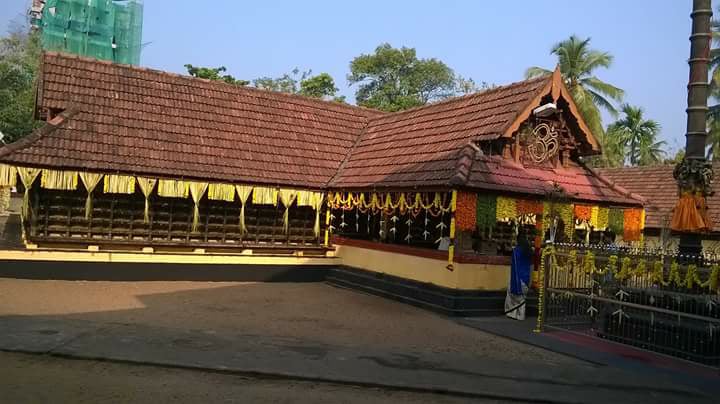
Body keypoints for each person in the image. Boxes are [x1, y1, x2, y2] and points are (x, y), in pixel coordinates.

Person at [505, 229, 532, 320]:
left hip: (517, 277)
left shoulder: (517, 251)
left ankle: (512, 314)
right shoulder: (529, 250)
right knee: (522, 298)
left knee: (512, 295)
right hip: (526, 277)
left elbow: (514, 264)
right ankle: (521, 315)